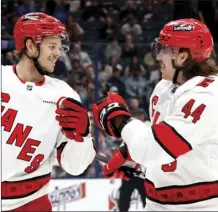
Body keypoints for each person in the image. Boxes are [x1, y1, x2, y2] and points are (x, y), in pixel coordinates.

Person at [92, 18, 218, 210]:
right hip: (155, 202)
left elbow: (155, 149)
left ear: (182, 57)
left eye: (163, 49)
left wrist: (120, 120)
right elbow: (162, 132)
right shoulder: (164, 88)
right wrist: (129, 152)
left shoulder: (207, 95)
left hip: (201, 206)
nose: (157, 56)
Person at [1, 12, 96, 211]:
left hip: (31, 202)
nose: (58, 53)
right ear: (29, 46)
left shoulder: (64, 96)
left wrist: (83, 135)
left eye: (59, 47)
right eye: (52, 46)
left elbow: (75, 167)